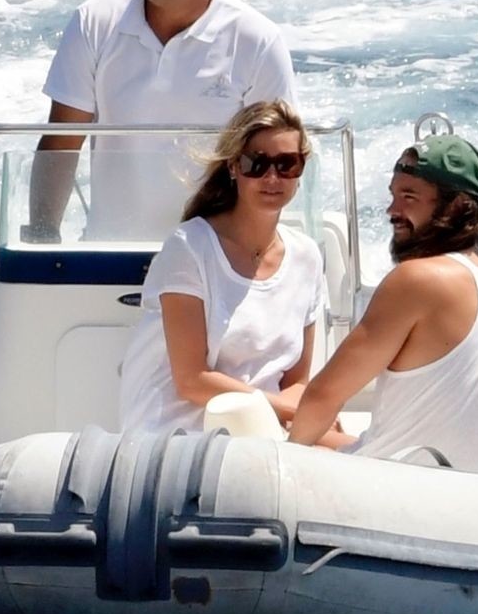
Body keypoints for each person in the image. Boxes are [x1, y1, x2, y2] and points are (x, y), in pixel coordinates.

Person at [28, 0, 299, 242]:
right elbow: (61, 142)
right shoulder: (93, 22)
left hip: (215, 254)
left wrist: (249, 255)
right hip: (109, 253)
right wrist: (43, 237)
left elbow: (277, 163)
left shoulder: (257, 41)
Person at [288, 134, 478, 473]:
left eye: (408, 197)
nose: (392, 210)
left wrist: (286, 465)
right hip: (476, 487)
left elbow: (323, 396)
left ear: (456, 207)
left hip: (394, 489)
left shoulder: (416, 280)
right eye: (393, 195)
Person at [117, 101, 326, 433]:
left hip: (263, 434)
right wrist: (295, 411)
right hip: (180, 436)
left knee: (351, 447)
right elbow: (191, 380)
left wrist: (300, 415)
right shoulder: (189, 247)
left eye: (287, 164)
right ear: (233, 167)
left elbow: (297, 382)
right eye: (256, 164)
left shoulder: (307, 257)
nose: (272, 177)